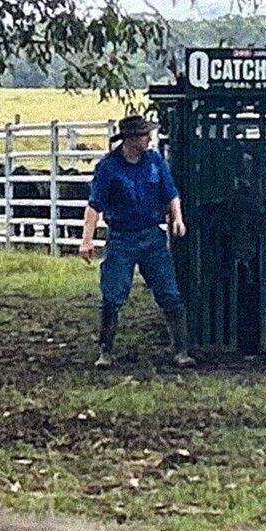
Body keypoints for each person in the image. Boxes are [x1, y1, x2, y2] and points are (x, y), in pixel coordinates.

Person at [78, 115, 194, 369]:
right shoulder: (108, 167)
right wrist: (87, 239)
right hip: (121, 236)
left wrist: (178, 219)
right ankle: (105, 351)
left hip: (151, 234)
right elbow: (94, 205)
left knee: (169, 293)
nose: (148, 139)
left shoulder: (154, 161)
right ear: (131, 139)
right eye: (144, 135)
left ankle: (181, 350)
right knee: (112, 295)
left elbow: (171, 193)